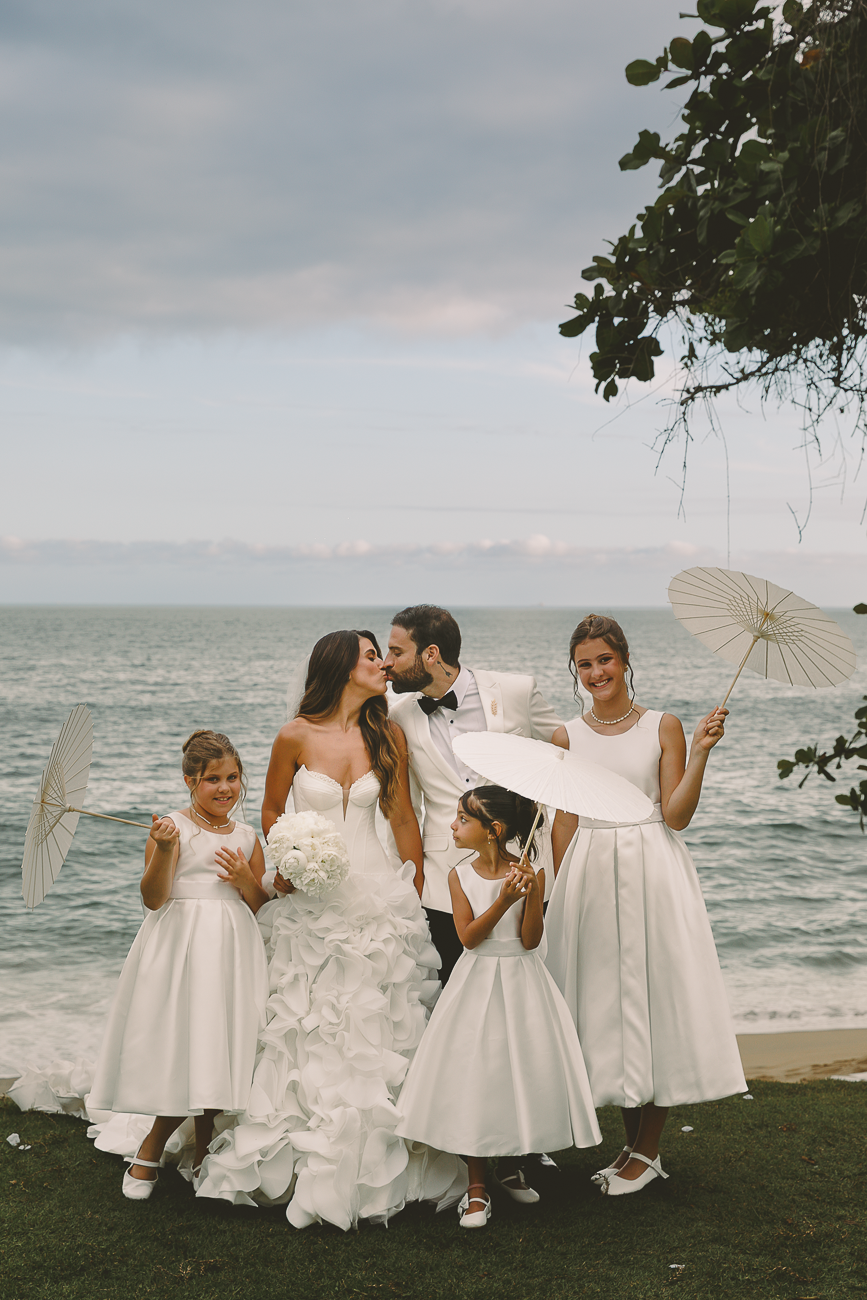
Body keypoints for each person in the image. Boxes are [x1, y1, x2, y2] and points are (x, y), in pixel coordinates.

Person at [195, 630, 466, 1230]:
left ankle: (386, 1151)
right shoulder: (295, 735)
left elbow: (400, 816)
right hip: (310, 901)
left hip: (378, 894)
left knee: (380, 1019)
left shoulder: (386, 733)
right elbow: (269, 810)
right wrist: (285, 861)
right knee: (304, 1020)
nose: (383, 665)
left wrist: (413, 886)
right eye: (373, 657)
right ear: (343, 666)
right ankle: (293, 1152)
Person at [544, 614, 747, 1197]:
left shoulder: (665, 725)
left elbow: (677, 814)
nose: (595, 673)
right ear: (575, 670)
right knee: (608, 1005)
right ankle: (633, 1148)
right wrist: (561, 892)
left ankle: (650, 1149)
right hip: (589, 870)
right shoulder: (566, 737)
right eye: (584, 664)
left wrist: (702, 753)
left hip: (651, 868)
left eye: (604, 660)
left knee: (652, 1000)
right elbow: (564, 821)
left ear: (624, 660)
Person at [395, 786, 601, 1228]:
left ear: (495, 831)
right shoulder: (459, 876)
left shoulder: (532, 872)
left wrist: (528, 895)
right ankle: (475, 1186)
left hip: (523, 981)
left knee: (516, 1072)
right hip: (477, 982)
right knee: (476, 1074)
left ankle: (509, 1164)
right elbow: (468, 938)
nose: (452, 826)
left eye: (463, 820)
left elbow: (530, 941)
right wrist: (503, 900)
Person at [87, 730, 270, 1199]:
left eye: (232, 777)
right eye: (212, 779)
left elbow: (258, 905)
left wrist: (248, 878)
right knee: (188, 1041)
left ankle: (204, 1146)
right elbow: (153, 899)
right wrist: (166, 849)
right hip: (181, 946)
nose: (225, 788)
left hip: (231, 948)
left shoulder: (248, 836)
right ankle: (149, 1149)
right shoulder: (171, 826)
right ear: (190, 780)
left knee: (220, 1039)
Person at [384, 605, 562, 986]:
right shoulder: (399, 716)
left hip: (521, 870)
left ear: (431, 654)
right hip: (443, 879)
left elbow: (564, 755)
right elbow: (406, 809)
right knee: (453, 988)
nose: (388, 663)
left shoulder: (516, 692)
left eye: (397, 652)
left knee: (526, 982)